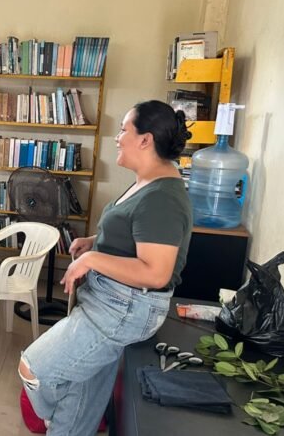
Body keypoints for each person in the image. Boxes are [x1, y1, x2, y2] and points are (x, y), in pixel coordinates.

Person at [18, 100, 193, 436]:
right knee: (82, 398)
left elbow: (156, 272)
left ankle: (55, 420)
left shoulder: (163, 197)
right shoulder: (148, 182)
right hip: (112, 300)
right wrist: (95, 241)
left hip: (124, 308)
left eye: (124, 129)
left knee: (33, 368)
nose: (117, 137)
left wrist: (94, 259)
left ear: (145, 139)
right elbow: (138, 233)